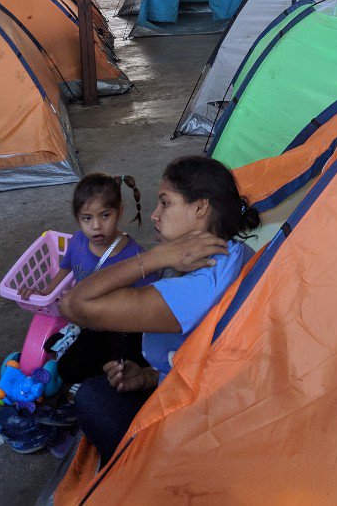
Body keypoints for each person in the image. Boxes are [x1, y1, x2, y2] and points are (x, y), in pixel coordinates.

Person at [60, 156, 261, 464]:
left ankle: (138, 471)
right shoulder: (231, 252)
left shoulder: (199, 285)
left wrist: (156, 257)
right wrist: (150, 377)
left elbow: (74, 303)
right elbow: (202, 358)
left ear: (200, 208)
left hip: (198, 424)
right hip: (215, 396)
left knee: (92, 397)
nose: (154, 215)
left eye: (165, 203)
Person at [22, 172, 153, 386]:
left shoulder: (134, 255)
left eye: (105, 215)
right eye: (87, 218)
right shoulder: (77, 242)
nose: (96, 226)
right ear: (78, 218)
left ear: (119, 211)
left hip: (122, 329)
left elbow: (149, 301)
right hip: (90, 324)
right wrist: (45, 292)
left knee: (124, 369)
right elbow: (65, 269)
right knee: (66, 370)